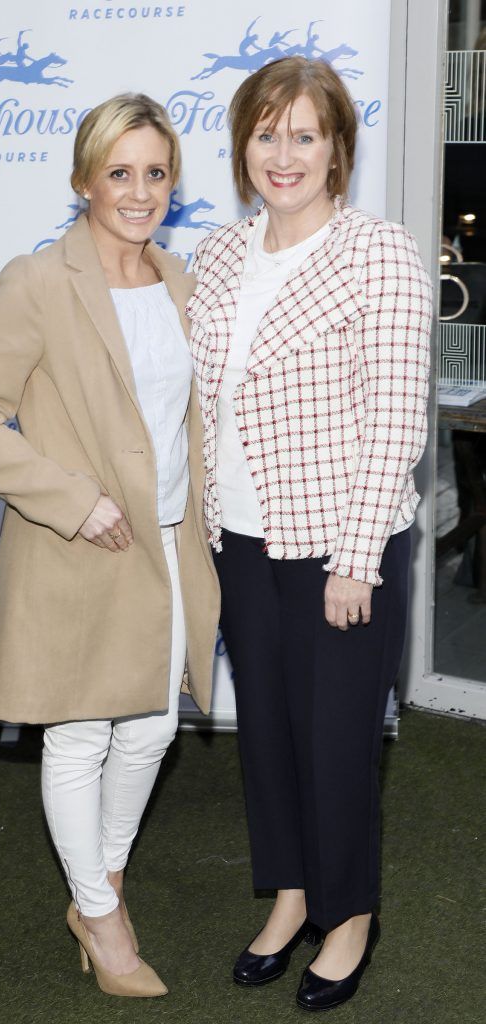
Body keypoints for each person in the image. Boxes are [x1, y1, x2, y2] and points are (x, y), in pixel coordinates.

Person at [0, 93, 219, 999]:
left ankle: (102, 878)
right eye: (119, 173)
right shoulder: (37, 281)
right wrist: (73, 500)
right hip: (82, 543)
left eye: (155, 172)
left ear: (172, 181)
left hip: (169, 542)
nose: (138, 191)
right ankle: (100, 916)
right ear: (83, 180)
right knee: (80, 732)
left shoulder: (184, 281)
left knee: (149, 726)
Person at [187, 56, 432, 1011]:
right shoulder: (217, 253)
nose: (281, 154)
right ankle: (290, 896)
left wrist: (356, 555)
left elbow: (395, 420)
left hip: (340, 545)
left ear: (337, 148)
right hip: (239, 540)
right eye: (264, 133)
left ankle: (350, 915)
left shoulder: (379, 252)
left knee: (336, 741)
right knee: (270, 737)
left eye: (303, 135)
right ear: (242, 144)